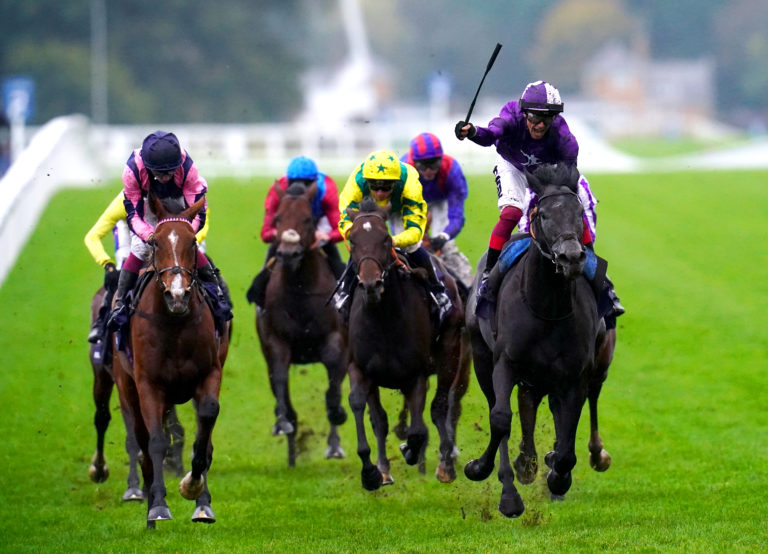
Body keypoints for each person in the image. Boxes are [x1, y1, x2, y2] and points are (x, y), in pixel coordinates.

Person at [455, 80, 624, 327]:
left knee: (571, 210)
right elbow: (490, 135)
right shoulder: (511, 115)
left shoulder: (566, 139)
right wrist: (471, 132)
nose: (541, 124)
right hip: (513, 166)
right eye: (535, 117)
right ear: (524, 112)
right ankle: (489, 275)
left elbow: (569, 181)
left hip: (547, 173)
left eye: (548, 118)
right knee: (513, 212)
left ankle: (602, 283)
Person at [106, 130, 232, 332]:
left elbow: (199, 210)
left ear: (178, 165)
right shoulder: (132, 171)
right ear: (148, 167)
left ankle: (216, 296)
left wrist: (184, 233)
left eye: (169, 172)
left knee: (188, 247)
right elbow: (134, 216)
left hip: (181, 202)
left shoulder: (188, 169)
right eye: (158, 172)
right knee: (139, 248)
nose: (164, 177)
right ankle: (120, 305)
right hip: (147, 204)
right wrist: (149, 235)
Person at [333, 149, 453, 323]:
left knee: (412, 247)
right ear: (367, 182)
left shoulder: (409, 184)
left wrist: (392, 241)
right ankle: (344, 291)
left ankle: (437, 290)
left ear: (395, 183)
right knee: (365, 247)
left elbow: (415, 231)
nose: (380, 192)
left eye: (386, 187)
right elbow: (344, 221)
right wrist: (365, 240)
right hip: (367, 209)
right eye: (374, 186)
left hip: (399, 208)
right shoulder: (356, 183)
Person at [84, 189, 211, 343]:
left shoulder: (184, 192)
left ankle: (221, 306)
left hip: (169, 243)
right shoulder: (123, 201)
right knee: (118, 277)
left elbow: (203, 225)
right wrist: (106, 263)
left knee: (208, 268)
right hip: (135, 241)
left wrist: (182, 245)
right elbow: (92, 237)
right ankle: (103, 324)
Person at [246, 156, 345, 308]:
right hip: (288, 227)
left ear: (314, 182)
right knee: (266, 269)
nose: (300, 188)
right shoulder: (278, 190)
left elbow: (340, 229)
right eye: (294, 183)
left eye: (306, 184)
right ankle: (262, 303)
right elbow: (266, 233)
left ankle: (345, 295)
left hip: (318, 223)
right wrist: (281, 234)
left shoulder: (326, 189)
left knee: (338, 265)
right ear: (288, 181)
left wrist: (326, 236)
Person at [400, 132, 473, 291]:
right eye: (422, 166)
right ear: (414, 163)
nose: (428, 171)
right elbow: (396, 213)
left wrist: (443, 236)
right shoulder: (402, 171)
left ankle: (467, 286)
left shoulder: (452, 170)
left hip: (440, 202)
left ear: (442, 159)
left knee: (446, 246)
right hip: (410, 203)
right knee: (405, 245)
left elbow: (456, 216)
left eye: (433, 164)